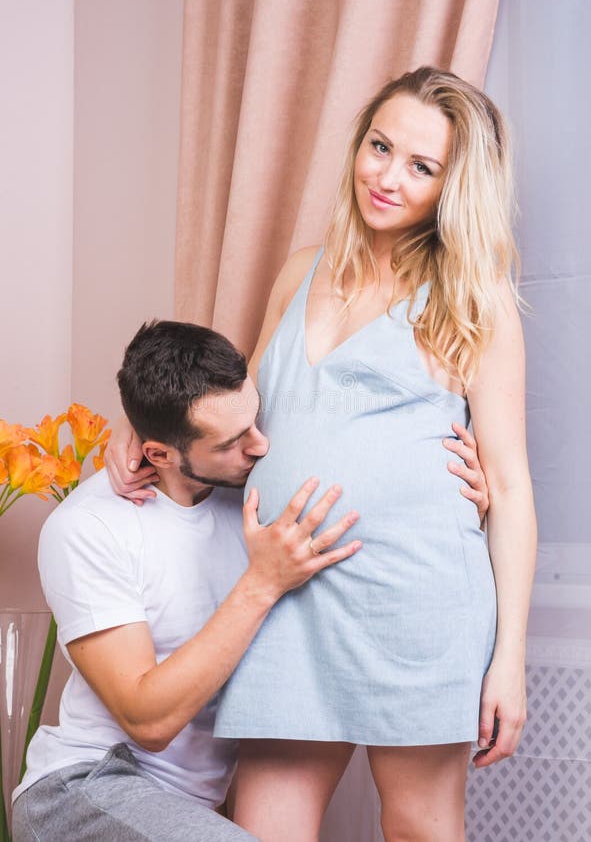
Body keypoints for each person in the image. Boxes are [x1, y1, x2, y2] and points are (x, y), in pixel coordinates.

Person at [208, 66, 537, 842]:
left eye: (421, 166)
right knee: (260, 829)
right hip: (286, 598)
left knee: (421, 825)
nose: (387, 177)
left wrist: (508, 661)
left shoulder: (473, 295)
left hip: (415, 599)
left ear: (453, 186)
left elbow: (512, 486)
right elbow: (241, 426)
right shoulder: (299, 268)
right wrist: (150, 445)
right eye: (379, 146)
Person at [12, 321, 364, 842]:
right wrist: (262, 584)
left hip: (184, 810)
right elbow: (147, 722)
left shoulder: (249, 489)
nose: (261, 445)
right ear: (158, 453)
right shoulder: (90, 527)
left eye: (255, 417)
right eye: (232, 441)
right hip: (83, 787)